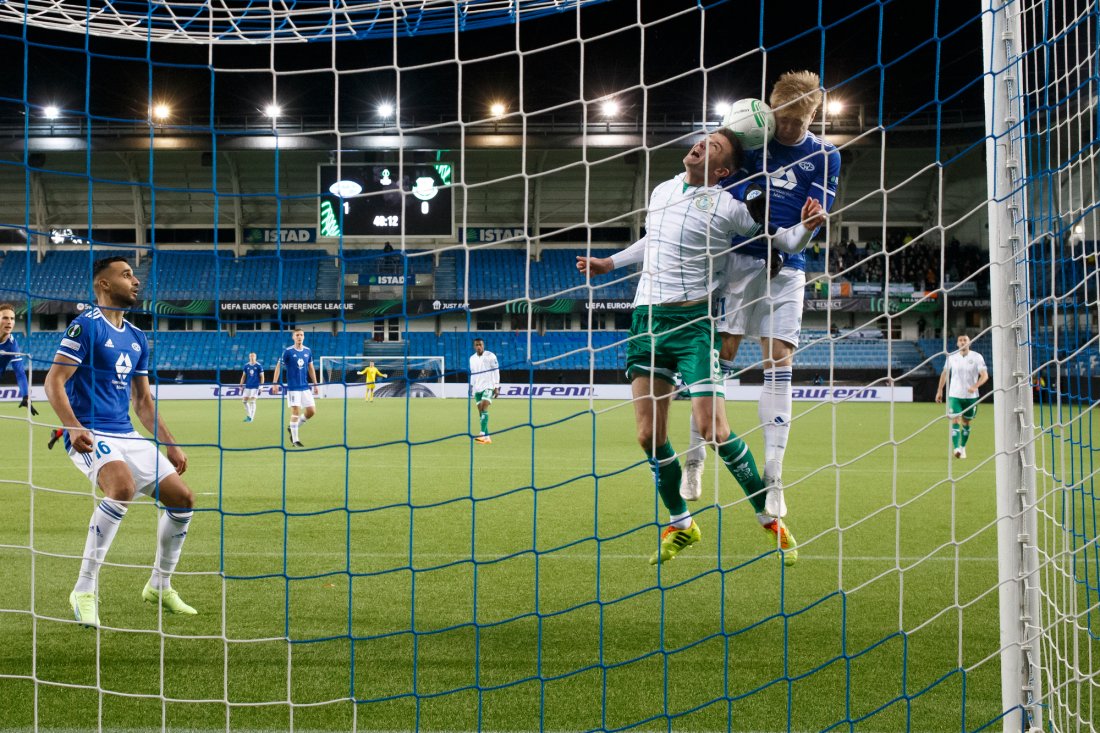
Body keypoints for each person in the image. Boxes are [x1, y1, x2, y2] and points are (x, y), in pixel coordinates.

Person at [577, 129, 824, 566]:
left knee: (715, 430)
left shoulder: (730, 207)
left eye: (714, 147)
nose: (700, 145)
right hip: (646, 322)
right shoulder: (662, 189)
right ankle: (681, 524)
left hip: (693, 326)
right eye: (702, 140)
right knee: (648, 435)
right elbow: (653, 239)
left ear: (723, 169)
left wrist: (805, 228)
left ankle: (770, 519)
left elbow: (779, 241)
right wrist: (609, 262)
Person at [681, 70, 841, 519]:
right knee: (720, 355)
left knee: (779, 360)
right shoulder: (753, 139)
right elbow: (721, 190)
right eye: (783, 119)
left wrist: (807, 229)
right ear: (772, 111)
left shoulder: (826, 156)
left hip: (787, 267)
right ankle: (695, 456)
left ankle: (774, 475)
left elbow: (811, 220)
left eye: (798, 121)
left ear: (813, 114)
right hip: (738, 261)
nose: (789, 129)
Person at [44, 257, 197, 627]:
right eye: (126, 275)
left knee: (183, 499)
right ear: (104, 284)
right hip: (90, 434)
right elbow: (53, 382)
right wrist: (73, 426)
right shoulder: (86, 327)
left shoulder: (137, 336)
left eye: (134, 275)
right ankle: (84, 588)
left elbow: (142, 401)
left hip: (126, 434)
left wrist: (170, 443)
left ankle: (159, 585)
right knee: (122, 487)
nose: (136, 281)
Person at [935, 334, 988, 459]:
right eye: (960, 340)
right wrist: (939, 390)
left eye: (965, 340)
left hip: (971, 397)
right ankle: (956, 448)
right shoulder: (952, 357)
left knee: (966, 422)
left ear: (969, 343)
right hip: (955, 395)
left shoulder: (977, 357)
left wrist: (975, 386)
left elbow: (984, 375)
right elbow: (944, 373)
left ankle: (963, 447)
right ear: (957, 343)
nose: (963, 342)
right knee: (955, 419)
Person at [271, 328, 318, 448]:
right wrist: (275, 383)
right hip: (293, 388)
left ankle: (292, 427)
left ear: (304, 337)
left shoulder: (308, 351)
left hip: (305, 387)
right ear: (293, 337)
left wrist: (315, 383)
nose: (299, 337)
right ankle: (295, 440)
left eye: (301, 335)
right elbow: (278, 366)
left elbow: (311, 368)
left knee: (311, 411)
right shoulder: (288, 351)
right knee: (295, 412)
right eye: (297, 335)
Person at [0, 303, 37, 417]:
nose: (9, 322)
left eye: (12, 318)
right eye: (5, 318)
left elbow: (20, 373)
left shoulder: (12, 345)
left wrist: (26, 396)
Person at [468, 338, 499, 444]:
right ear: (474, 346)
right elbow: (472, 373)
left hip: (488, 385)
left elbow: (496, 371)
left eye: (480, 344)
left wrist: (497, 386)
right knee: (480, 411)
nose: (478, 346)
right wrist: (471, 386)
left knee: (484, 405)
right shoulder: (472, 358)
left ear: (483, 345)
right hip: (477, 387)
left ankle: (481, 434)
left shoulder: (490, 356)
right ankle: (487, 437)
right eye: (476, 345)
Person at [239, 353, 264, 422]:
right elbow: (243, 376)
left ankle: (251, 418)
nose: (252, 357)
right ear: (249, 357)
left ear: (255, 357)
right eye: (251, 356)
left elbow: (262, 377)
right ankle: (249, 416)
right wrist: (241, 385)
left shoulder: (259, 366)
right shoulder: (246, 366)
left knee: (252, 401)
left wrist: (261, 386)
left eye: (253, 356)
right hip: (248, 386)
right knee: (244, 401)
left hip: (255, 386)